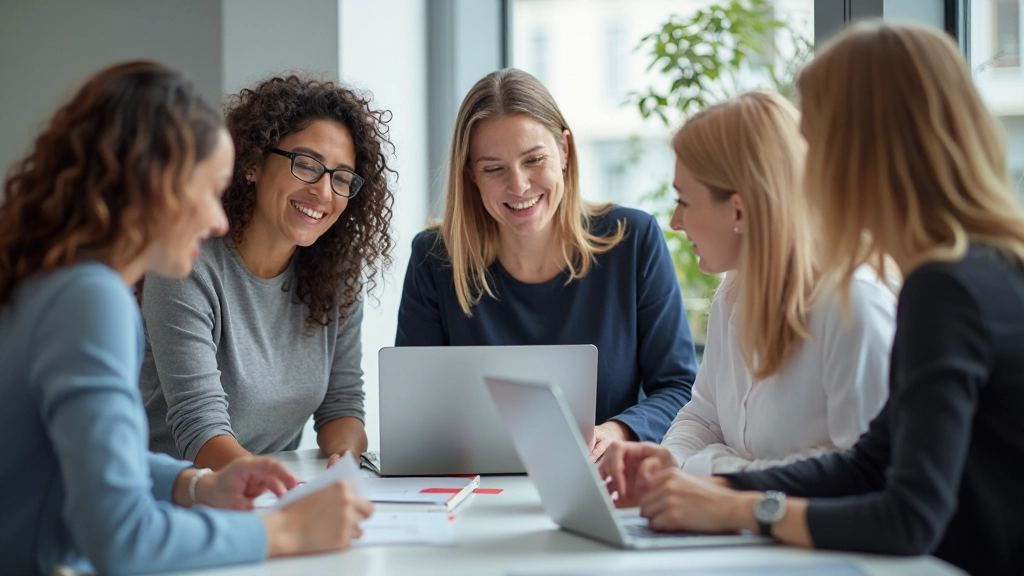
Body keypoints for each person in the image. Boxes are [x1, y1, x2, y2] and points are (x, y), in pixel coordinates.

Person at [608, 22, 1024, 576]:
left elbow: (909, 517)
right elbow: (872, 463)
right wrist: (715, 489)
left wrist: (743, 506)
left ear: (861, 154)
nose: (801, 173)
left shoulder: (941, 289)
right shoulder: (982, 269)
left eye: (812, 143)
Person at [0, 61, 372, 576]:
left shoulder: (63, 286)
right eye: (206, 190)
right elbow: (123, 538)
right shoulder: (92, 301)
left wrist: (194, 484)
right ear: (151, 185)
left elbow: (95, 462)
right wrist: (284, 530)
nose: (218, 217)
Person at [395, 69, 698, 459]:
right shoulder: (433, 259)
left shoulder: (633, 239)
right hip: (471, 484)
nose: (519, 185)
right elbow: (414, 411)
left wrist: (618, 431)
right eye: (493, 168)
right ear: (471, 174)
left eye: (534, 159)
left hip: (602, 478)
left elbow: (678, 388)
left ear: (565, 151)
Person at [599, 91, 896, 487]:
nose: (674, 221)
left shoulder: (853, 306)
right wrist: (663, 464)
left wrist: (709, 473)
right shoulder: (734, 291)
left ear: (738, 210)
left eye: (684, 201)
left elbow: (861, 474)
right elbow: (702, 416)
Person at [139, 75, 395, 470]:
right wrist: (277, 489)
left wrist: (345, 461)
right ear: (254, 163)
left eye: (341, 178)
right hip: (175, 498)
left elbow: (342, 404)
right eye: (307, 165)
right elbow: (199, 427)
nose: (324, 193)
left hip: (264, 491)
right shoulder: (186, 264)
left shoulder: (336, 273)